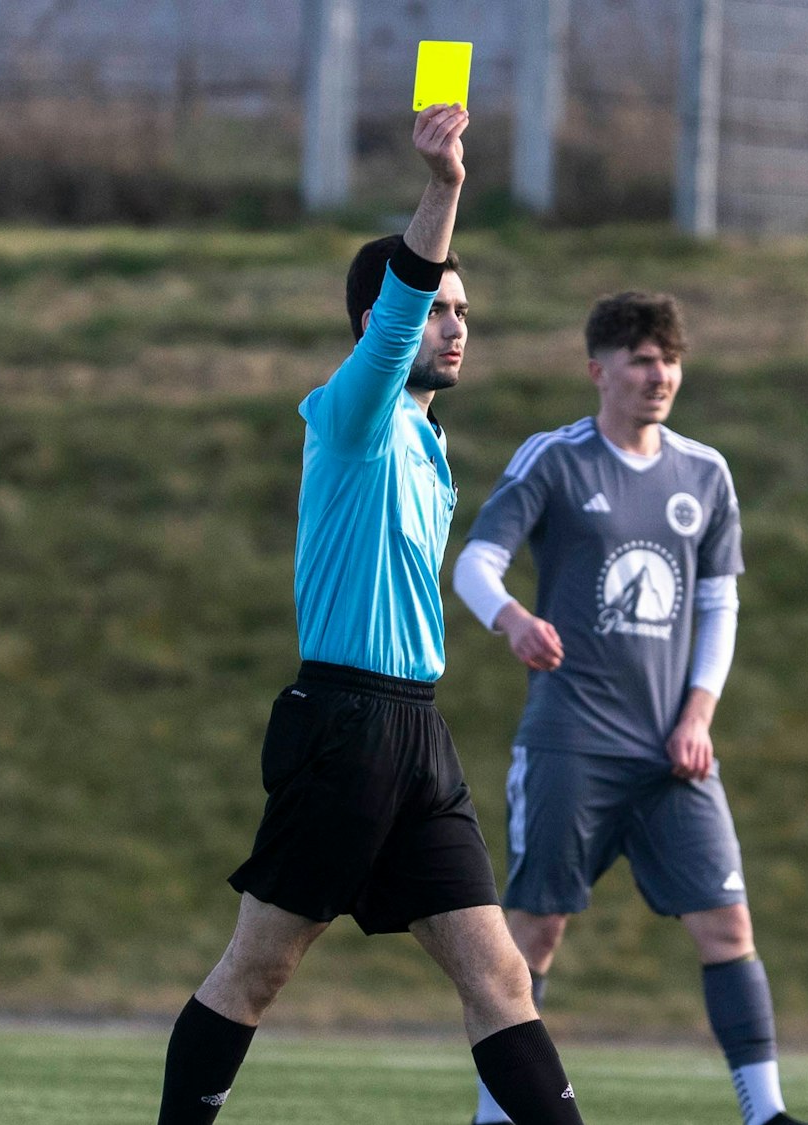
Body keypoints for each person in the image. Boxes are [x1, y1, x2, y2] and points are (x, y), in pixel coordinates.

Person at [154, 106, 583, 1125]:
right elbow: (399, 315)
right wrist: (444, 186)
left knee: (501, 978)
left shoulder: (430, 450)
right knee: (256, 970)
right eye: (439, 309)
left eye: (465, 312)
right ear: (376, 325)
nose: (456, 326)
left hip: (417, 735)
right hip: (342, 728)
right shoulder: (353, 415)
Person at [452, 292, 808, 1125]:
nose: (659, 374)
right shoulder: (555, 459)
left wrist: (698, 714)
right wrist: (513, 618)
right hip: (570, 742)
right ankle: (497, 1115)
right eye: (640, 359)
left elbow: (719, 604)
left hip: (672, 751)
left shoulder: (705, 472)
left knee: (728, 924)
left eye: (670, 359)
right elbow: (476, 564)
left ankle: (766, 1114)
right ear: (598, 370)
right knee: (535, 933)